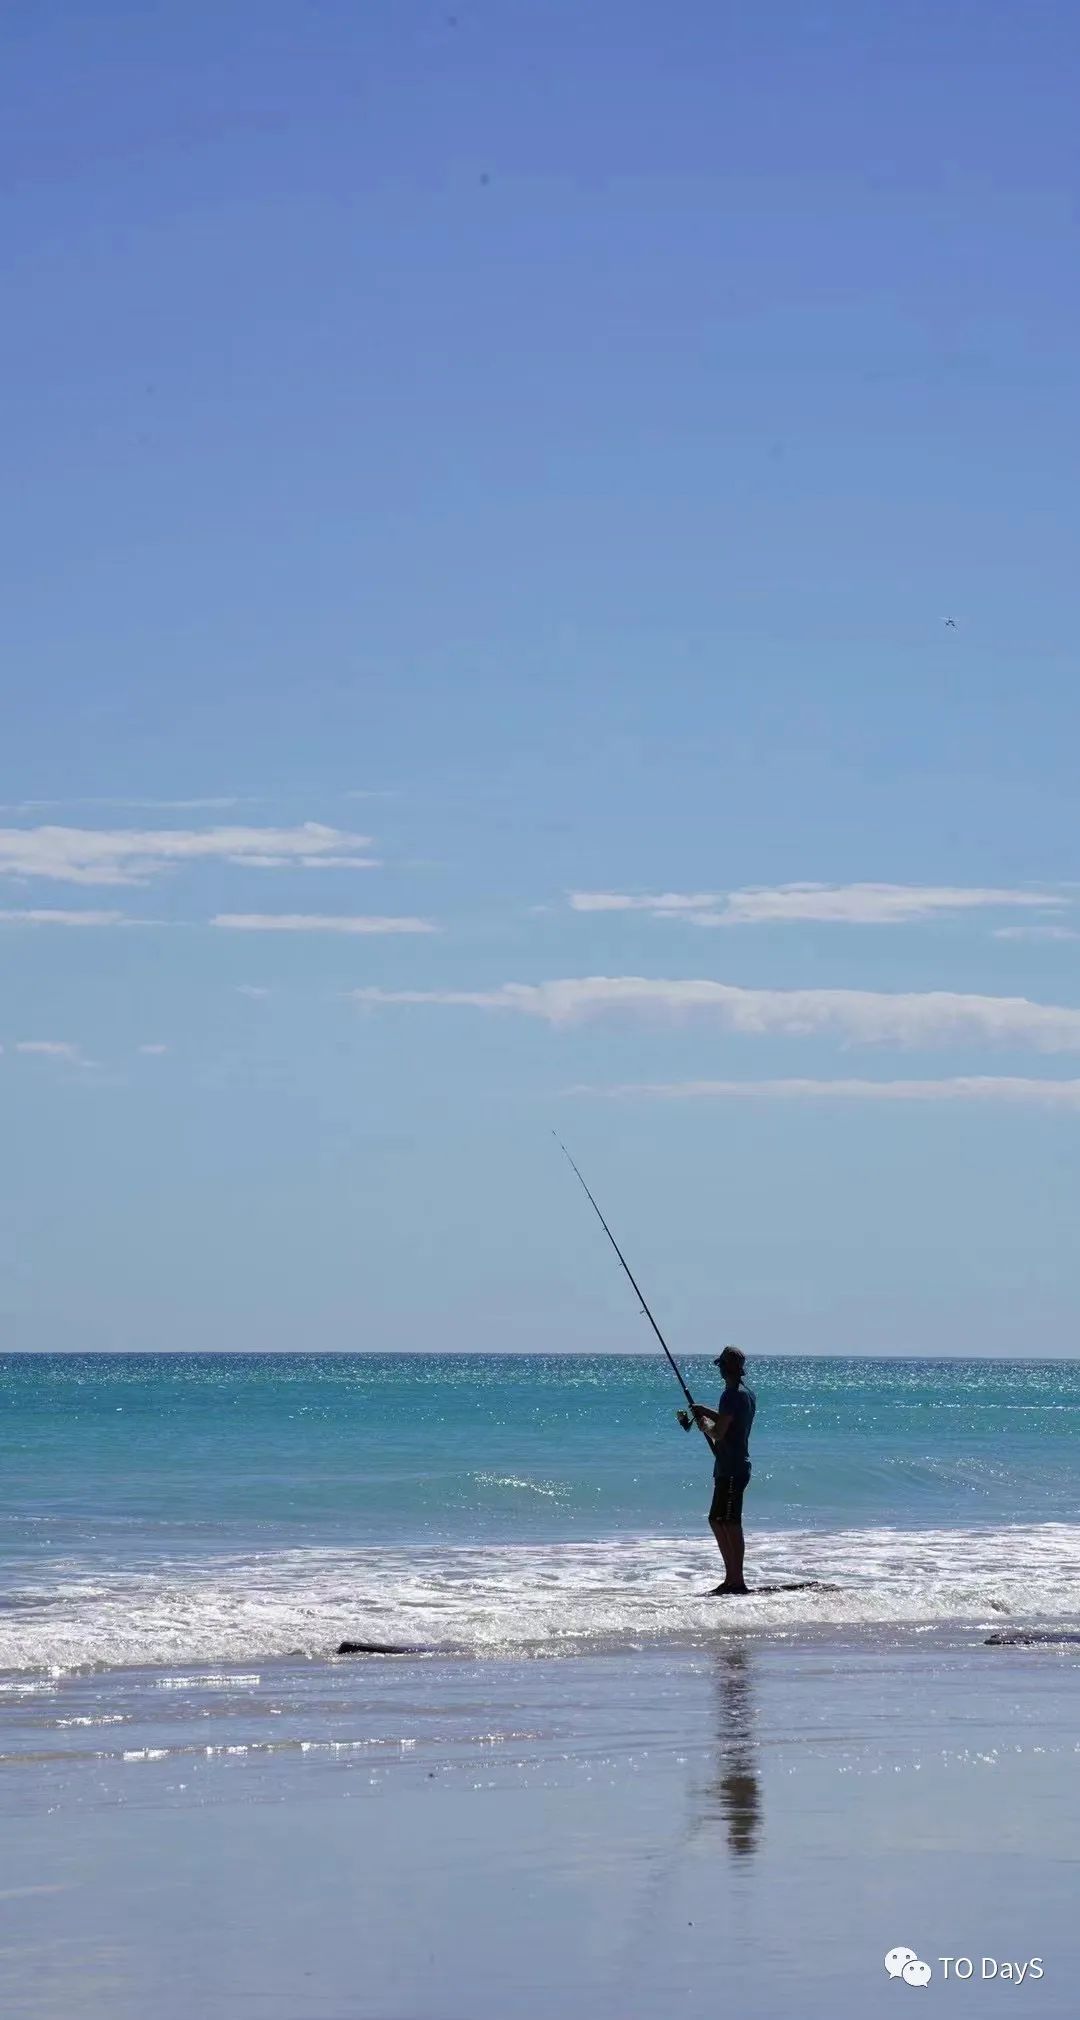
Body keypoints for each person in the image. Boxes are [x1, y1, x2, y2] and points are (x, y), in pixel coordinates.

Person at [693, 1346, 756, 1595]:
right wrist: (705, 1411)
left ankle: (736, 1580)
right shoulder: (746, 1394)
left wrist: (705, 1425)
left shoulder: (729, 1395)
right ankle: (730, 1578)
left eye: (720, 1365)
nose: (719, 1369)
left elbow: (719, 1431)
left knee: (729, 1522)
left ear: (725, 1367)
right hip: (731, 1465)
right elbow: (730, 1418)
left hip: (732, 1466)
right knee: (717, 1519)